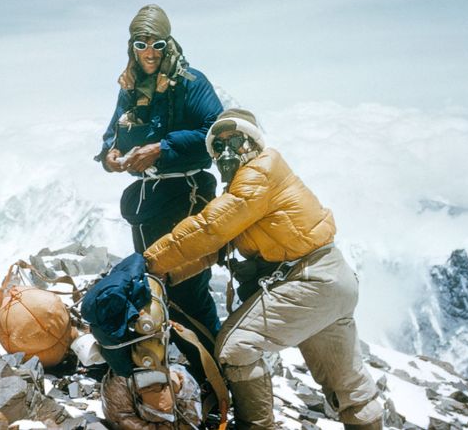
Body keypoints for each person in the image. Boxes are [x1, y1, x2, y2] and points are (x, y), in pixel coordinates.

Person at [144, 109, 383, 429]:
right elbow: (214, 248)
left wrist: (147, 262)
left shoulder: (259, 172)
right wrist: (165, 273)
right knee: (349, 387)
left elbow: (209, 228)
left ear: (254, 143)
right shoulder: (250, 185)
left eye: (236, 140)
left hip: (309, 280)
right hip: (332, 281)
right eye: (220, 145)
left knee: (236, 347)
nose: (228, 151)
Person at [94, 4, 223, 380]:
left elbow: (215, 132)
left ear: (169, 45)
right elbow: (111, 138)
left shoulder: (191, 83)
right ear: (132, 47)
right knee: (154, 284)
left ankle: (217, 382)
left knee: (187, 289)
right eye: (141, 44)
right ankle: (180, 378)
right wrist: (111, 157)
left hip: (187, 195)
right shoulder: (129, 86)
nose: (149, 52)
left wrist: (162, 148)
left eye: (157, 44)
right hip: (149, 204)